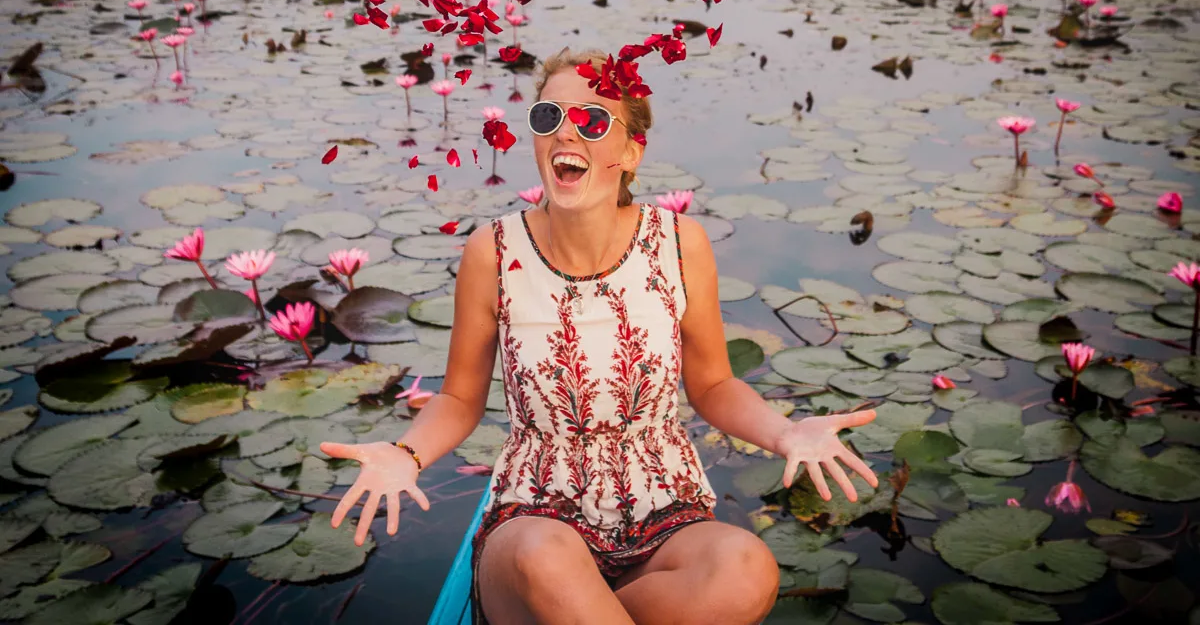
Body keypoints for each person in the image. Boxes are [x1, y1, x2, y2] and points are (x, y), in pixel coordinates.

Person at [320, 47, 880, 625]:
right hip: (535, 517)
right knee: (549, 561)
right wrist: (405, 452)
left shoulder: (681, 244)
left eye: (591, 120)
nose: (567, 133)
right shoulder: (492, 251)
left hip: (664, 509)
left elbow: (713, 384)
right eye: (548, 117)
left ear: (631, 151)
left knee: (747, 569)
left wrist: (786, 433)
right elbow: (461, 400)